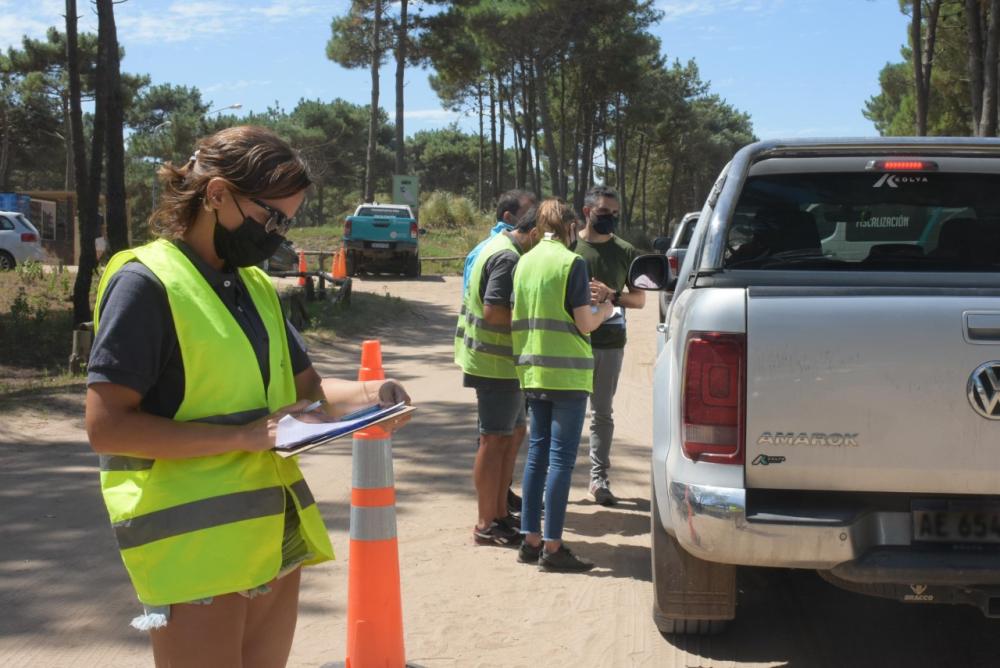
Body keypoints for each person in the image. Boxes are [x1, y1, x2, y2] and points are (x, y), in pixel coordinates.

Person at [85, 125, 411, 667]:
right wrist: (241, 436)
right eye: (272, 216)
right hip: (195, 549)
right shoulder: (145, 284)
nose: (278, 234)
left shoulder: (254, 286)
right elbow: (108, 427)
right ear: (216, 195)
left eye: (288, 219)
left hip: (270, 537)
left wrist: (375, 394)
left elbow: (308, 394)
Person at [512, 198, 613, 572]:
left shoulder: (525, 262)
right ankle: (552, 548)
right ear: (571, 227)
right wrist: (607, 310)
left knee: (537, 456)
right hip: (567, 373)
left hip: (533, 371)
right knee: (560, 460)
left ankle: (530, 539)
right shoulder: (572, 263)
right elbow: (585, 323)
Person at [455, 206, 540, 545]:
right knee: (493, 440)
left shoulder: (503, 248)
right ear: (533, 233)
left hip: (504, 365)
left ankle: (500, 515)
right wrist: (533, 319)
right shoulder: (507, 258)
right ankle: (485, 523)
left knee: (512, 434)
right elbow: (493, 312)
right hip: (495, 365)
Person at [574, 185, 645, 506]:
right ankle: (553, 479)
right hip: (570, 342)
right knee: (566, 412)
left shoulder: (626, 251)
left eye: (615, 214)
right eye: (604, 213)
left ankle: (599, 479)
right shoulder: (569, 246)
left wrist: (611, 294)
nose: (611, 219)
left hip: (610, 343)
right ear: (587, 211)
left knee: (602, 413)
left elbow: (640, 300)